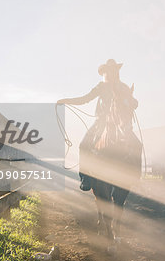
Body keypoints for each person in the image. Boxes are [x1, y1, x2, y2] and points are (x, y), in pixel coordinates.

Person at [57, 59, 141, 191]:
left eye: (111, 71)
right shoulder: (101, 87)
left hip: (121, 123)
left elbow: (134, 102)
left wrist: (132, 103)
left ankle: (136, 177)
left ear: (116, 72)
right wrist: (66, 101)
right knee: (84, 145)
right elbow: (84, 99)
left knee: (137, 145)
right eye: (106, 71)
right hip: (101, 123)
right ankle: (85, 178)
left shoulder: (123, 87)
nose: (108, 74)